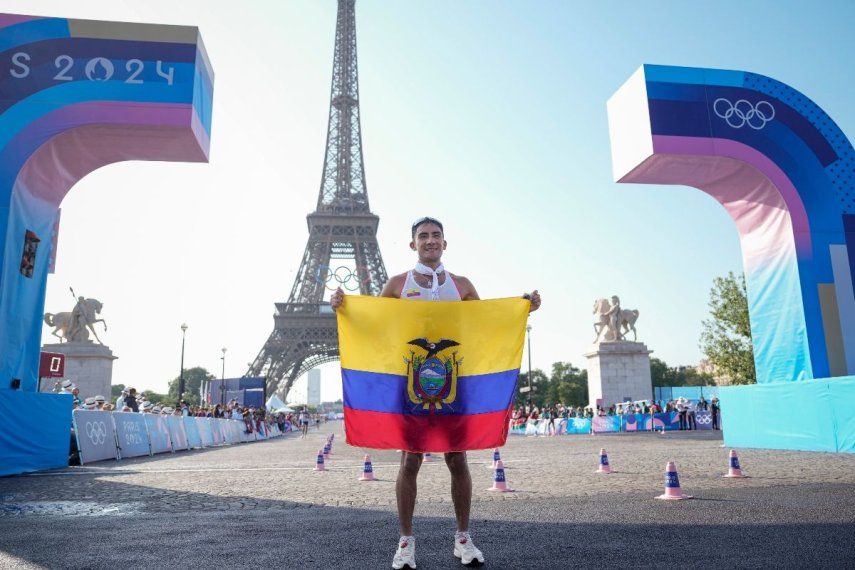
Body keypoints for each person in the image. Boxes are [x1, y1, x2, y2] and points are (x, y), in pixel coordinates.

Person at [331, 216, 541, 569]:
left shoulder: (462, 285)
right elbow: (375, 323)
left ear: (445, 243)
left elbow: (487, 324)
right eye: (423, 236)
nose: (430, 240)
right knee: (409, 460)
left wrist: (521, 309)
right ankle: (406, 541)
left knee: (457, 458)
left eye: (436, 236)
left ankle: (462, 538)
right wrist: (345, 305)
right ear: (413, 244)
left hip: (452, 384)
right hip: (411, 385)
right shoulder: (398, 283)